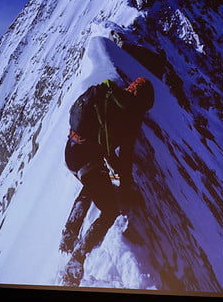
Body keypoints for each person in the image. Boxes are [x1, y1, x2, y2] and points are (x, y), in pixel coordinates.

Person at [60, 74, 154, 284]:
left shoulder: (109, 95)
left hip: (71, 152)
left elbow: (105, 144)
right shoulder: (130, 115)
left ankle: (69, 234)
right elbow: (125, 156)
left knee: (92, 185)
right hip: (86, 158)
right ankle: (77, 258)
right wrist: (126, 188)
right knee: (110, 210)